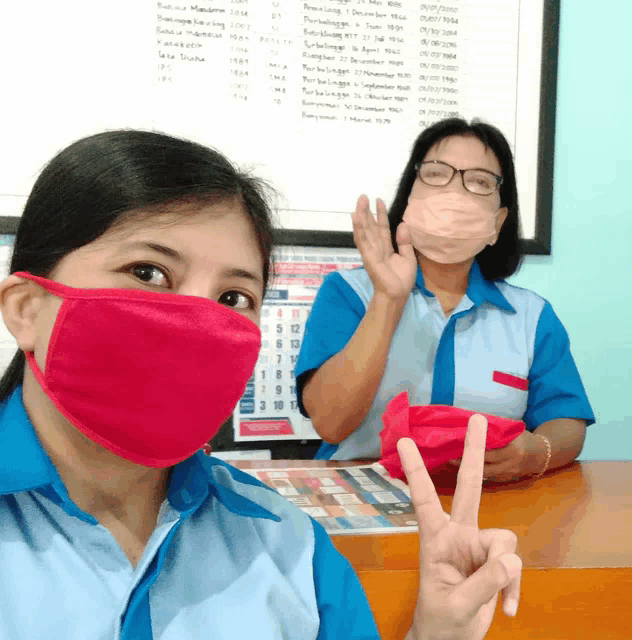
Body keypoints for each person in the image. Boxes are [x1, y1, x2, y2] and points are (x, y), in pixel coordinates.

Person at [0, 129, 521, 639]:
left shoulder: (291, 547)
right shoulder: (350, 294)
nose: (200, 321)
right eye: (149, 272)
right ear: (27, 309)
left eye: (233, 298)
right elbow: (332, 415)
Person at [296, 118, 595, 480]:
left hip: (491, 503)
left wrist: (535, 454)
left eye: (481, 182)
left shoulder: (532, 316)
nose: (456, 195)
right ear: (410, 198)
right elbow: (331, 424)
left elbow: (566, 422)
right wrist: (389, 299)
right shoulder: (348, 293)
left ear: (498, 223)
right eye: (436, 174)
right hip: (365, 500)